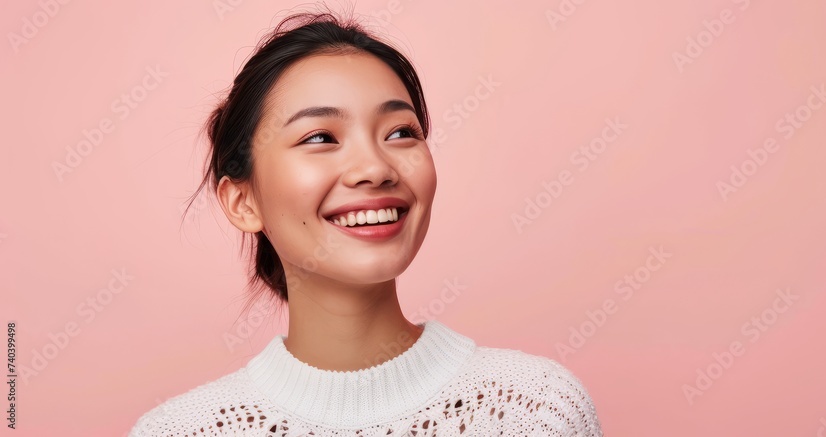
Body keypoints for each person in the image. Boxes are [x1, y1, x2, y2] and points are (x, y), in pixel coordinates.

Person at [128, 8, 603, 437]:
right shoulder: (179, 431)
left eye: (400, 132)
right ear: (243, 201)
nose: (376, 168)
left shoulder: (538, 411)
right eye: (320, 137)